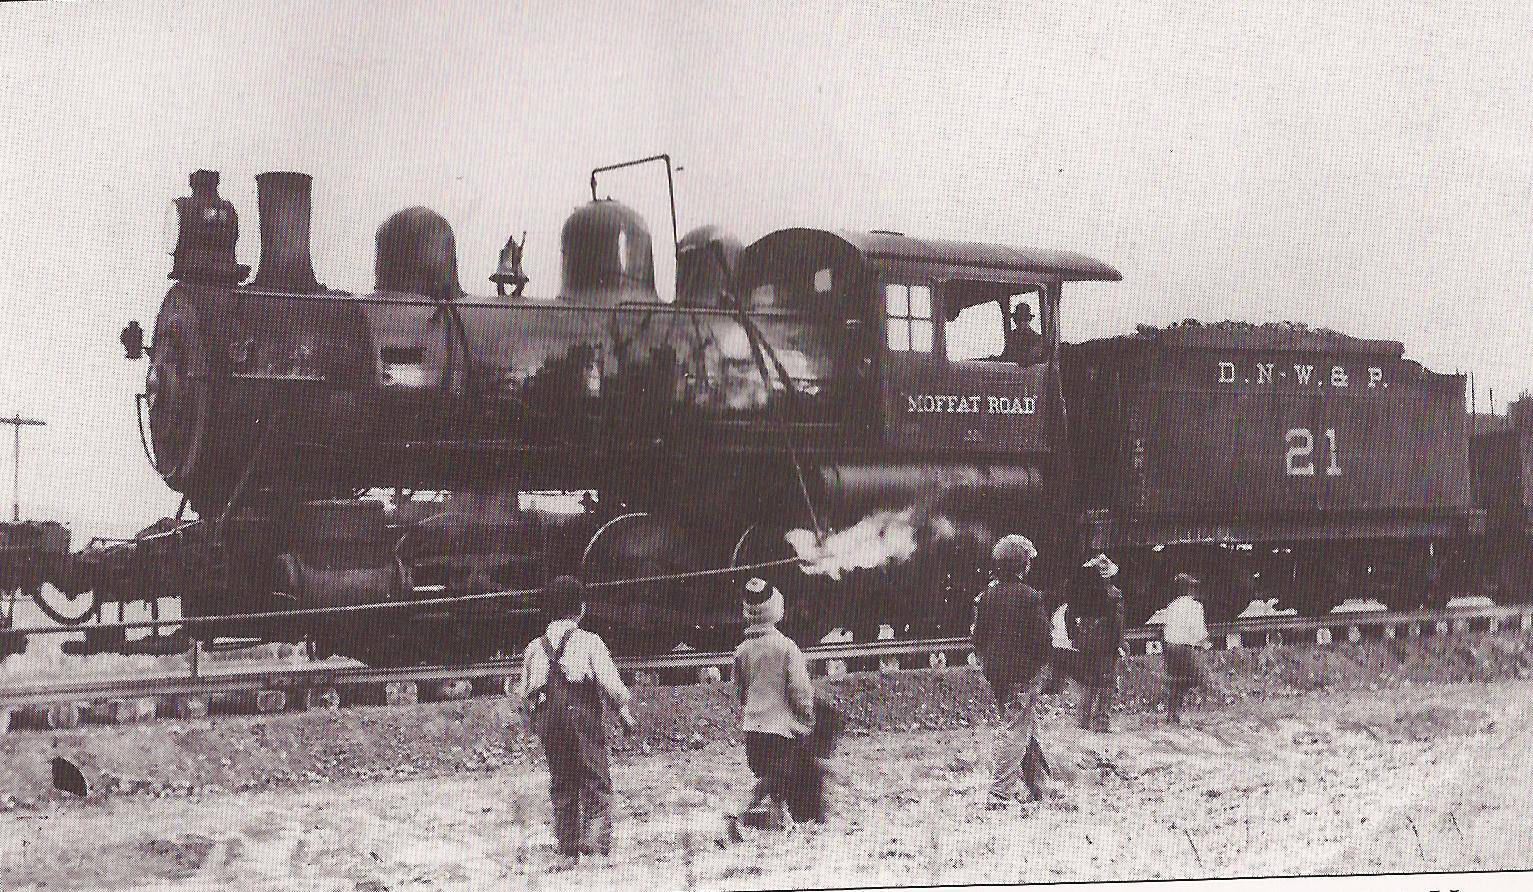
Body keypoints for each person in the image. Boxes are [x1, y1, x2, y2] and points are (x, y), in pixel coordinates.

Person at [518, 576, 636, 869]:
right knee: (595, 777)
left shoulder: (535, 647)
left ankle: (567, 850)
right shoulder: (589, 641)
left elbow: (526, 692)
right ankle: (595, 847)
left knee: (562, 782)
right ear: (581, 609)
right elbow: (610, 684)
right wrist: (623, 711)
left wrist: (532, 723)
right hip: (582, 716)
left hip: (550, 720)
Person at [730, 576, 822, 836]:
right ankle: (739, 812)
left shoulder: (741, 651)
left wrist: (752, 711)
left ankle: (782, 821)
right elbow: (800, 689)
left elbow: (740, 691)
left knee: (773, 778)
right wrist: (807, 714)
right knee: (774, 778)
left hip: (752, 728)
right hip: (779, 730)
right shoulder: (786, 648)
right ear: (777, 610)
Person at [970, 533, 1055, 809]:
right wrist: (1036, 671)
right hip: (1022, 674)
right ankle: (999, 793)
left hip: (996, 673)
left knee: (1022, 726)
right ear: (1022, 565)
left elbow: (978, 639)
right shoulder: (1031, 597)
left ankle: (1038, 787)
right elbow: (1044, 640)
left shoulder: (986, 597)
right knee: (1015, 729)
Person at [1067, 555, 1127, 733]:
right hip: (1105, 641)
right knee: (1106, 682)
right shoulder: (1114, 594)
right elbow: (1117, 621)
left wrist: (1074, 636)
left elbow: (1068, 614)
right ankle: (1101, 722)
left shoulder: (1081, 594)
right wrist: (1120, 643)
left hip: (1085, 639)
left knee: (1088, 681)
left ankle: (1082, 722)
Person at [1160, 572, 1213, 724]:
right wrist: (1206, 644)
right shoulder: (1196, 606)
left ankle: (1172, 715)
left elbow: (1166, 628)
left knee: (1175, 681)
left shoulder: (1171, 606)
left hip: (1170, 646)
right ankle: (1200, 708)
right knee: (1199, 678)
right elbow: (1199, 632)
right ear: (1190, 589)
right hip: (1185, 648)